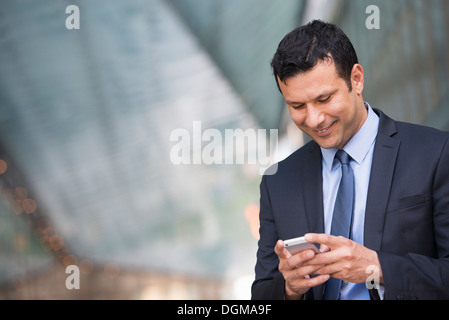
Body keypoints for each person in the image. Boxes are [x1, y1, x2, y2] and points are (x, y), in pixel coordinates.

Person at [251, 20, 449, 300]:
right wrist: (289, 289)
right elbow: (261, 295)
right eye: (297, 106)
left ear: (356, 80)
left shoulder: (436, 153)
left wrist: (377, 268)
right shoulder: (278, 182)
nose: (313, 119)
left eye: (324, 99)